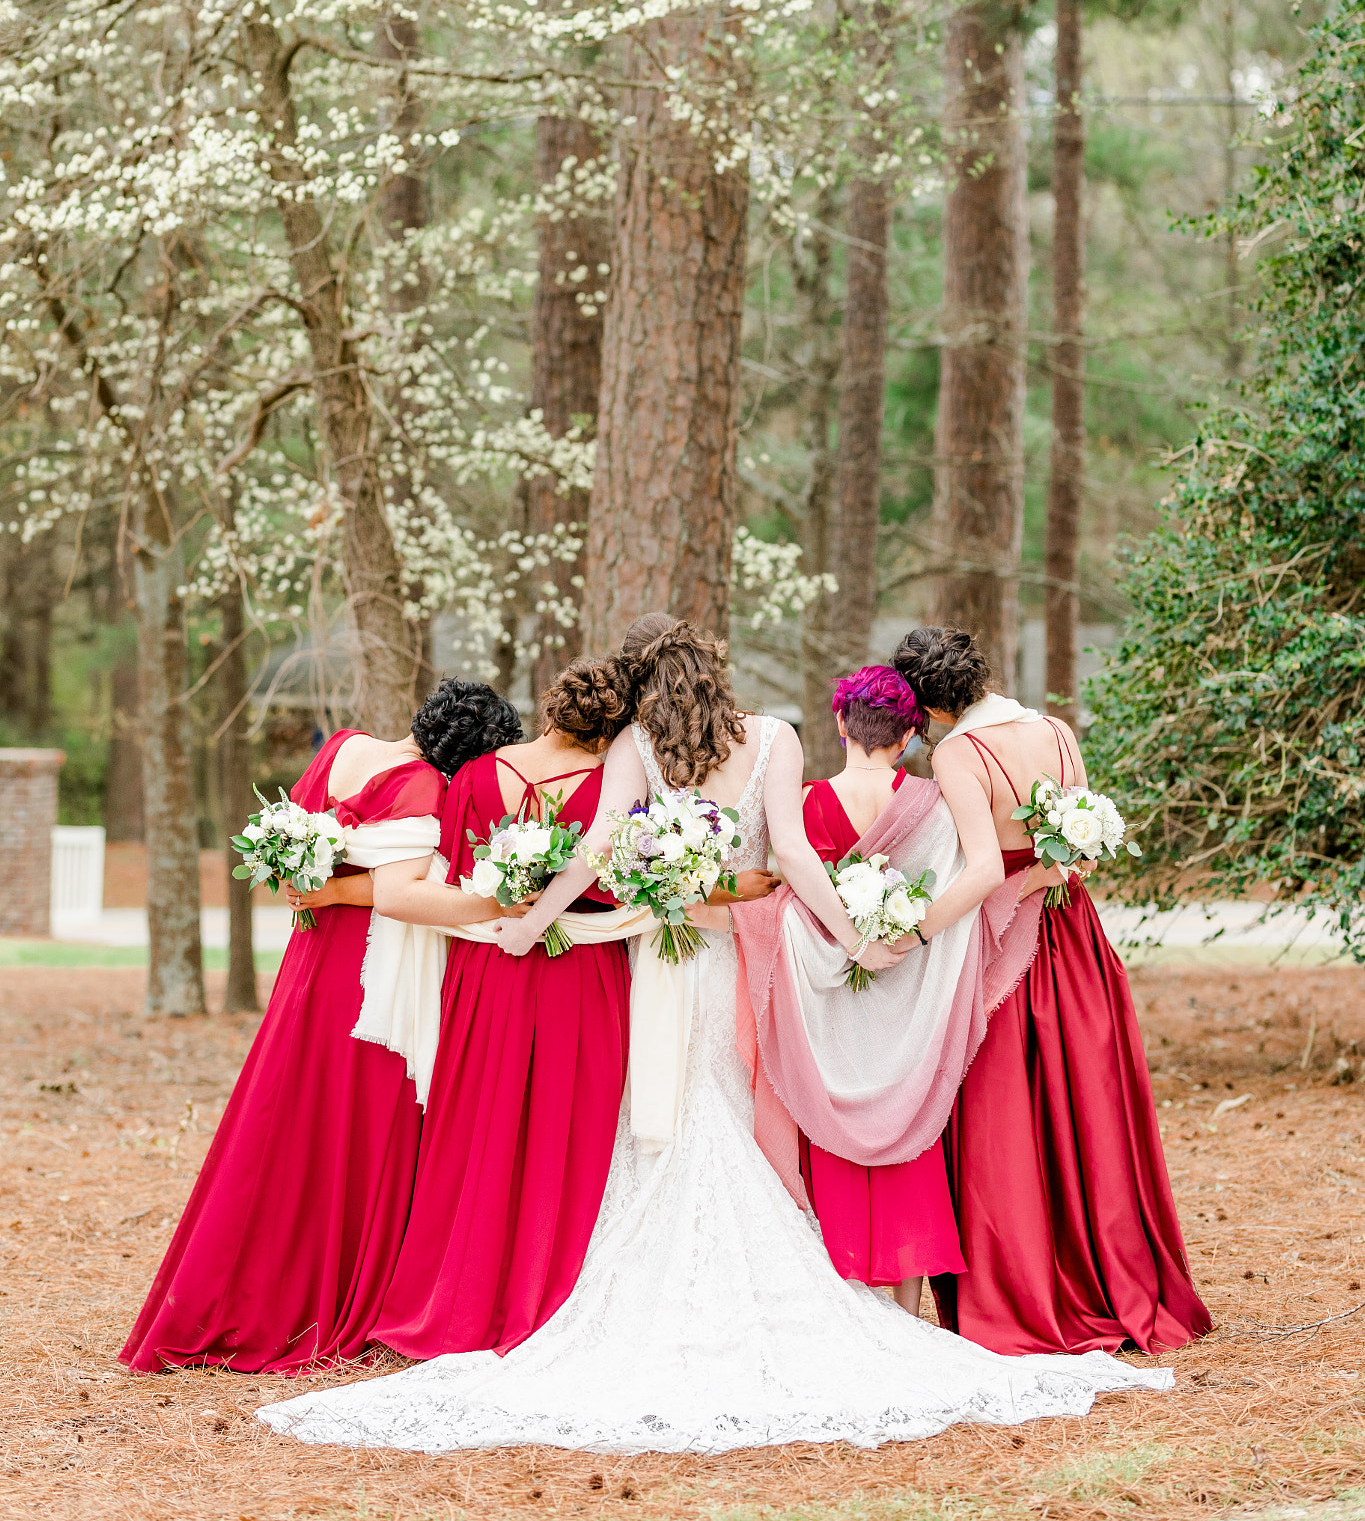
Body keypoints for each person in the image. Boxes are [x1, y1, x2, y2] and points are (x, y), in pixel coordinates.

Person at [261, 616, 1172, 1455]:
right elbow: (794, 858)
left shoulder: (634, 744)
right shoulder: (774, 736)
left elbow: (597, 850)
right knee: (736, 1102)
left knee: (656, 1108)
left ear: (647, 686)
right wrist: (852, 935)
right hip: (735, 961)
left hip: (666, 964)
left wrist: (537, 917)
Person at [120, 679, 522, 1374]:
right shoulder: (422, 784)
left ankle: (230, 1289)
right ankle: (310, 1300)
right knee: (350, 1129)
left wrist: (331, 890)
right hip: (365, 978)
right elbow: (402, 894)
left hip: (311, 960)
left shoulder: (341, 748)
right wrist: (503, 904)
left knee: (284, 1121)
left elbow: (303, 873)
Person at [888, 624, 1213, 1358]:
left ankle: (1027, 1287)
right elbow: (1082, 842)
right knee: (1085, 1104)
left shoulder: (958, 753)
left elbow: (976, 873)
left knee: (1003, 1111)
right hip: (1076, 939)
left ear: (928, 708)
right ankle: (1105, 1275)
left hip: (1009, 946)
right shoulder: (1056, 731)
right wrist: (1051, 868)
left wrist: (907, 937)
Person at [361, 653, 636, 1357]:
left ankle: (453, 1300)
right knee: (566, 1129)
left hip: (486, 966)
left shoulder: (480, 774)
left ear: (550, 708)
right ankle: (550, 1296)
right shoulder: (613, 789)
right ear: (611, 730)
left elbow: (449, 869)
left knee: (474, 1124)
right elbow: (622, 880)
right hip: (581, 968)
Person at [798, 664, 966, 1315]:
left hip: (833, 998)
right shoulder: (930, 805)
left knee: (837, 1133)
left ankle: (849, 1307)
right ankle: (907, 1313)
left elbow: (795, 911)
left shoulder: (808, 804)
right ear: (908, 737)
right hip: (909, 994)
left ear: (840, 724)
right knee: (907, 1130)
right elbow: (949, 896)